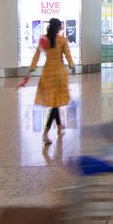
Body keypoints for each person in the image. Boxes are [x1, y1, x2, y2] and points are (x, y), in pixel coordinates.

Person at [25, 17, 75, 146]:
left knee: (54, 101)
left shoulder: (44, 39)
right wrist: (71, 65)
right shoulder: (62, 40)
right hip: (59, 74)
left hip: (47, 73)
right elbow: (68, 55)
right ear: (58, 27)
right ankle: (46, 133)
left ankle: (59, 125)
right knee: (55, 103)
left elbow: (37, 54)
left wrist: (32, 67)